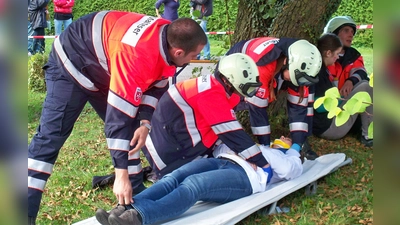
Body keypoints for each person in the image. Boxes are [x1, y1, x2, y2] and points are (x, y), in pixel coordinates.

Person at [27, 11, 207, 225]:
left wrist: (145, 123)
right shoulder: (136, 56)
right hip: (71, 64)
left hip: (102, 67)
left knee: (132, 133)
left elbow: (158, 84)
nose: (194, 60)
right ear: (178, 52)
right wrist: (120, 175)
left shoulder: (168, 35)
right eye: (193, 55)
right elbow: (117, 121)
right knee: (50, 139)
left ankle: (134, 203)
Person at [95, 136, 303, 225]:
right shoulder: (261, 147)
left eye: (285, 140)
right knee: (174, 177)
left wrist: (293, 150)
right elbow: (222, 146)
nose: (283, 138)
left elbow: (289, 170)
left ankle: (138, 217)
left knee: (195, 185)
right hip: (222, 160)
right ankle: (122, 210)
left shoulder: (280, 157)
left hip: (245, 178)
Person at [225, 37, 322, 160]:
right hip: (236, 72)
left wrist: (297, 145)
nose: (295, 83)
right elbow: (257, 111)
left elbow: (298, 109)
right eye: (293, 78)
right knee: (227, 106)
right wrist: (266, 149)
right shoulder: (263, 65)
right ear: (286, 61)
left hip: (264, 70)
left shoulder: (301, 71)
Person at [315, 16, 373, 147]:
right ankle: (369, 136)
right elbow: (317, 103)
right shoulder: (322, 66)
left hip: (339, 106)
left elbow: (361, 72)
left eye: (352, 32)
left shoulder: (353, 55)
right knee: (367, 87)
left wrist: (351, 81)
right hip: (332, 115)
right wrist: (341, 100)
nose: (351, 35)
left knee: (366, 84)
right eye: (346, 30)